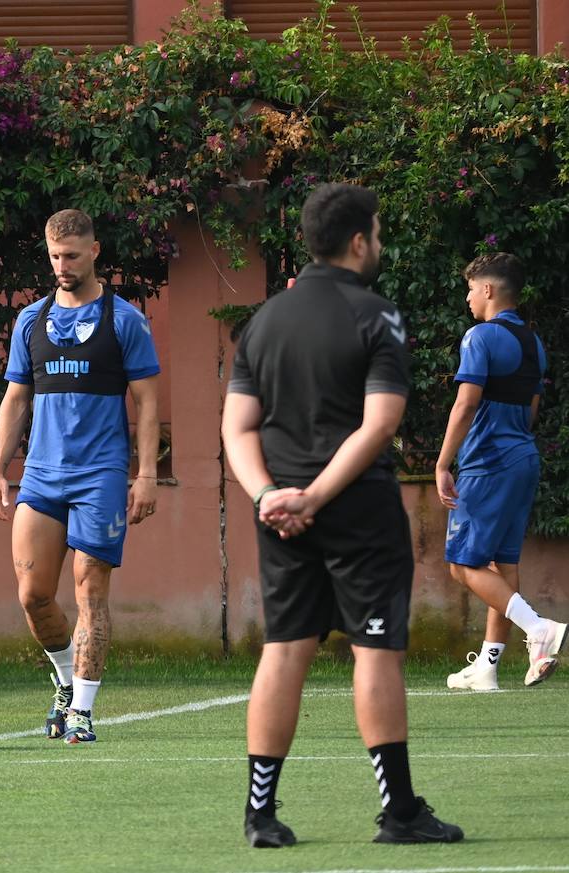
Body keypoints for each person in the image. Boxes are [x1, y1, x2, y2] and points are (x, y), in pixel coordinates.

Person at [223, 182, 462, 847]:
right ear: (359, 241)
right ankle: (400, 812)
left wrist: (269, 495)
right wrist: (318, 495)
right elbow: (379, 422)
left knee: (285, 647)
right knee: (375, 650)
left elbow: (236, 428)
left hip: (279, 516)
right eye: (377, 234)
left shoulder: (264, 319)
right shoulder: (376, 314)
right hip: (355, 510)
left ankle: (259, 815)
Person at [0, 208, 161, 745]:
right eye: (55, 255)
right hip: (41, 477)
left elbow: (148, 402)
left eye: (72, 255)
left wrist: (147, 473)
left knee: (91, 593)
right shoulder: (30, 321)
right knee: (33, 596)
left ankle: (82, 712)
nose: (63, 265)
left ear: (94, 253)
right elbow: (16, 399)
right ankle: (64, 682)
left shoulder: (124, 319)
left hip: (101, 475)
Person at [437, 252, 565, 691]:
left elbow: (466, 403)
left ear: (488, 289)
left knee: (461, 563)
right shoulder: (534, 342)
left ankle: (539, 629)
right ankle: (488, 668)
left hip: (487, 464)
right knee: (502, 562)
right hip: (522, 459)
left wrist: (441, 463)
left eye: (472, 289)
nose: (469, 298)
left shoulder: (479, 336)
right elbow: (531, 408)